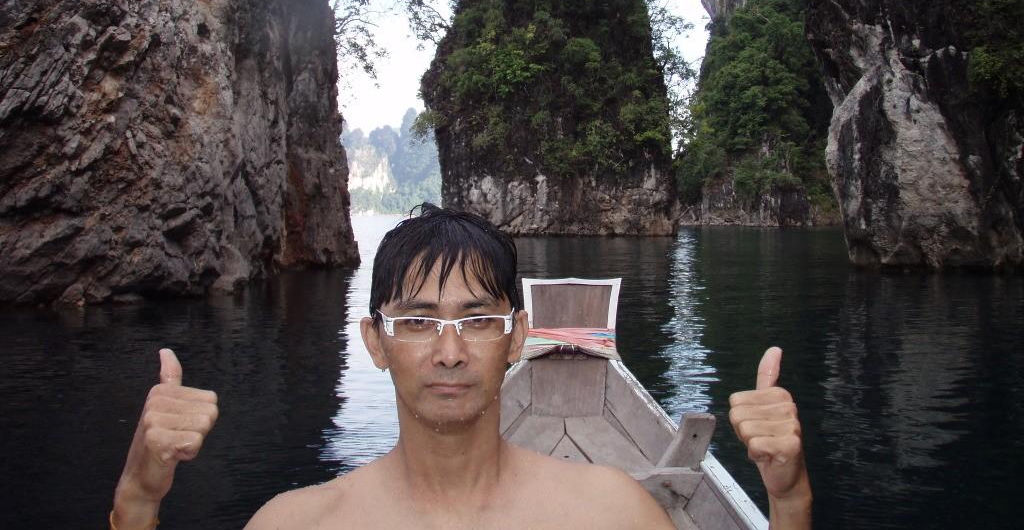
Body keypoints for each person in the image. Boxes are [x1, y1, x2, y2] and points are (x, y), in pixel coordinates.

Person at [111, 205, 811, 529]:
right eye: (417, 322)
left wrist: (789, 500)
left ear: (518, 338)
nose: (449, 353)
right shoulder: (295, 525)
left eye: (477, 320)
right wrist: (137, 501)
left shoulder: (611, 513)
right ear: (375, 341)